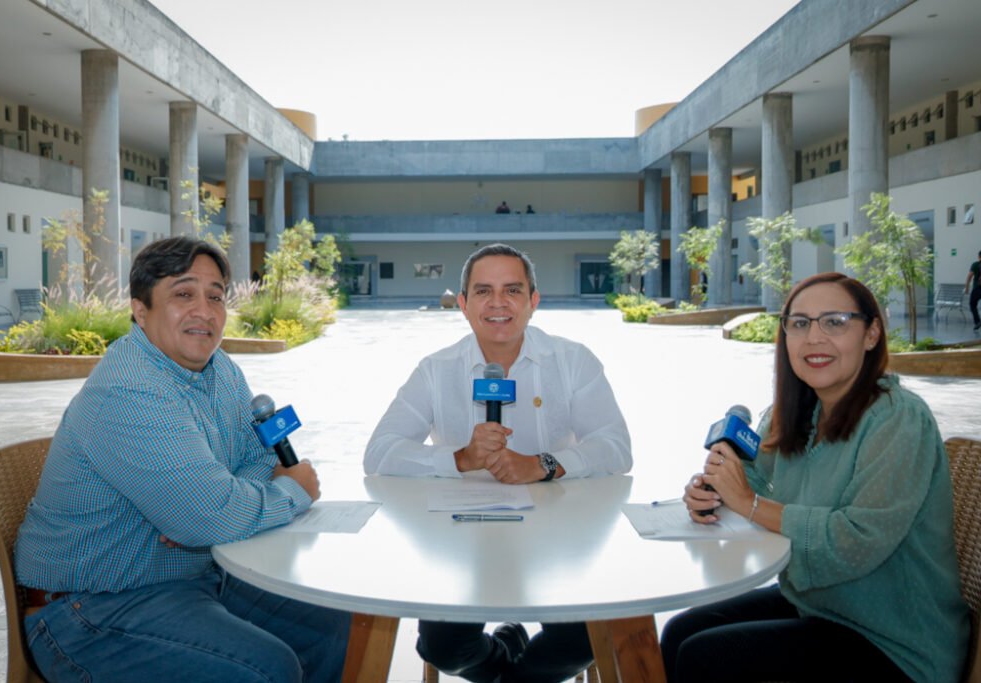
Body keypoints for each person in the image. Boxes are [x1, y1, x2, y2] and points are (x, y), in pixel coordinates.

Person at [15, 236, 350, 683]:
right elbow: (210, 515)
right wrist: (290, 491)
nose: (205, 311)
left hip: (188, 582)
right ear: (140, 310)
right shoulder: (129, 388)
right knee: (268, 668)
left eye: (215, 296)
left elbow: (254, 461)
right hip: (90, 610)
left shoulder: (220, 369)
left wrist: (210, 503)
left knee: (325, 618)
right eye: (184, 294)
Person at [661, 271, 969, 683]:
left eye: (835, 322)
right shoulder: (795, 413)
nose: (814, 337)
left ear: (872, 333)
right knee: (681, 631)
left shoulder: (899, 417)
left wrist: (748, 503)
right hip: (821, 606)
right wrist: (712, 493)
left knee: (707, 657)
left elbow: (857, 540)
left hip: (894, 642)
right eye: (800, 323)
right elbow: (751, 478)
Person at [364, 243, 631, 683]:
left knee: (583, 641)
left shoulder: (572, 361)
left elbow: (616, 447)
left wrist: (544, 464)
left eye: (512, 290)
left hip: (559, 534)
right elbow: (379, 453)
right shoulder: (436, 369)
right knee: (441, 648)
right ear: (463, 305)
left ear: (533, 301)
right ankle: (510, 664)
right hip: (461, 538)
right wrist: (460, 459)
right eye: (484, 292)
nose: (498, 304)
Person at [966, 249, 981, 330]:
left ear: (979, 256)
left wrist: (967, 287)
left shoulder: (975, 264)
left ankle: (978, 321)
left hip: (977, 288)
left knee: (972, 305)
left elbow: (969, 276)